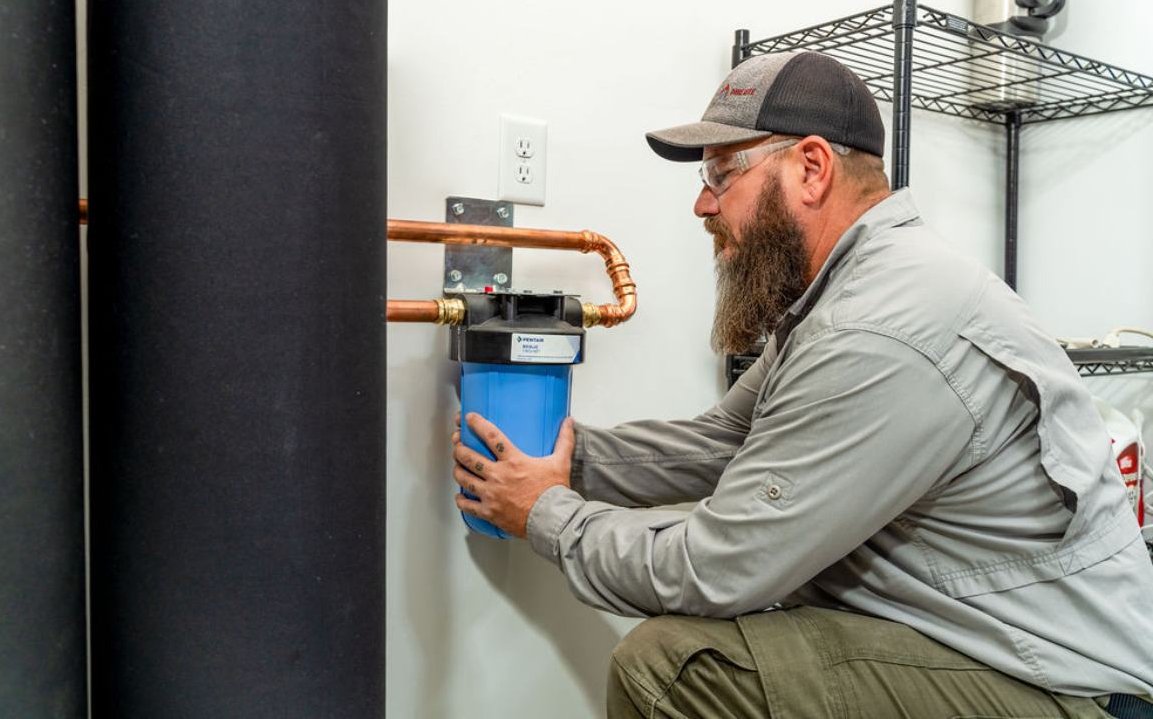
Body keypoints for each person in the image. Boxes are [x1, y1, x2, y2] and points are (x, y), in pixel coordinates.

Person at [450, 50, 1153, 718]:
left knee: (675, 669)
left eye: (721, 176)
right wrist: (570, 460)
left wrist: (547, 515)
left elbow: (717, 570)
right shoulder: (851, 292)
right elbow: (726, 439)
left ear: (811, 168)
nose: (702, 206)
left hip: (1068, 688)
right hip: (987, 644)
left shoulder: (880, 328)